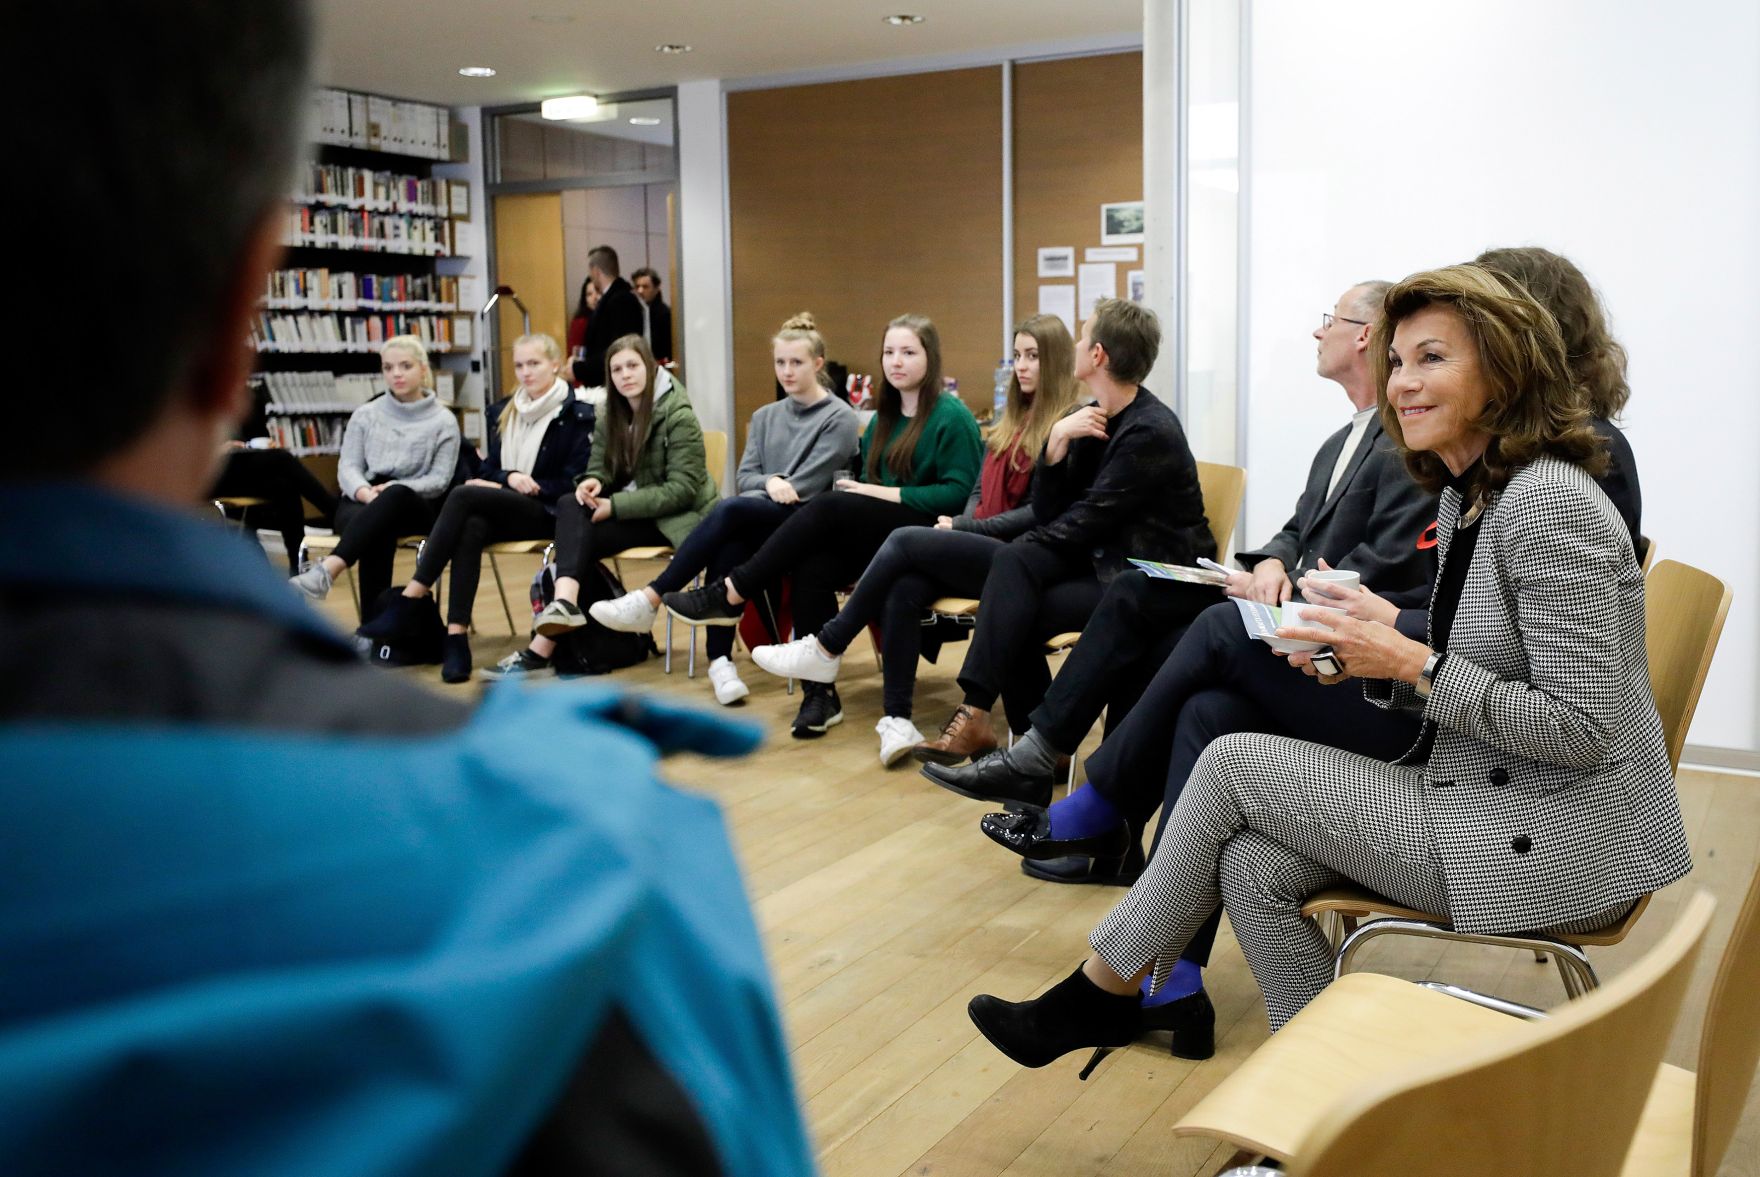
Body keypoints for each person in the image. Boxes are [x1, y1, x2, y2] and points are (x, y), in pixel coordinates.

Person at [1, 4, 813, 1175]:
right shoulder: (571, 891)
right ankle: (457, 617)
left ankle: (444, 612)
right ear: (239, 318)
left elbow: (653, 486)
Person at [965, 264, 1692, 1074]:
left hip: (1556, 838)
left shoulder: (1551, 503)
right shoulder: (1473, 494)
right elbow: (1475, 652)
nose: (1402, 383)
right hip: (1489, 789)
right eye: (1398, 361)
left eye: (1431, 359)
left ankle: (1103, 986)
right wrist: (1368, 660)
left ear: (1505, 370)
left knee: (1230, 761)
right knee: (1249, 861)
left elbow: (1581, 729)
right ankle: (1321, 1089)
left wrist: (1408, 659)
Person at [955, 282, 1436, 867]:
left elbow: (1377, 566)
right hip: (1283, 606)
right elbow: (1293, 530)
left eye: (1328, 320)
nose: (1318, 330)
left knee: (1169, 622)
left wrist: (1283, 578)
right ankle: (1128, 857)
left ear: (1364, 336)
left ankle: (1087, 805)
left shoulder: (1402, 446)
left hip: (1337, 642)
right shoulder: (1341, 440)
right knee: (1166, 647)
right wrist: (1272, 562)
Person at [746, 313, 1083, 764]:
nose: (1021, 366)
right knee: (900, 584)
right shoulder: (1012, 419)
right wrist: (964, 526)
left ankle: (824, 643)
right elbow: (977, 491)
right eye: (1018, 355)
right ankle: (897, 719)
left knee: (901, 538)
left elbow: (1042, 510)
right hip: (983, 544)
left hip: (1022, 555)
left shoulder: (1067, 424)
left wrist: (967, 528)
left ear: (1056, 361)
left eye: (1033, 356)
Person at [912, 298, 1214, 776]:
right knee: (1012, 575)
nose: (1075, 345)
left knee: (1014, 598)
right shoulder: (1092, 416)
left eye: (1082, 336)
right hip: (1103, 563)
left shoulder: (1149, 429)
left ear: (1097, 355)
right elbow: (1052, 511)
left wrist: (1026, 544)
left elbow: (1086, 521)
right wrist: (1055, 444)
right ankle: (991, 724)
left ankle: (1029, 752)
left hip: (1146, 579)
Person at [663, 313, 984, 738]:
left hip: (931, 534)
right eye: (889, 352)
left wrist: (877, 494)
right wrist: (868, 494)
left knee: (830, 504)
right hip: (885, 534)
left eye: (908, 352)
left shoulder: (952, 416)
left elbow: (958, 495)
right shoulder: (883, 417)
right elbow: (866, 486)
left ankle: (732, 591)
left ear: (931, 357)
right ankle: (820, 694)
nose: (896, 361)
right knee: (813, 562)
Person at [590, 313, 860, 704]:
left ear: (818, 364)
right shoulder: (765, 416)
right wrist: (770, 483)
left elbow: (805, 488)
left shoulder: (840, 417)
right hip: (765, 518)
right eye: (780, 362)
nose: (786, 371)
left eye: (796, 362)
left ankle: (652, 597)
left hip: (812, 526)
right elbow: (746, 476)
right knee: (729, 540)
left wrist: (770, 483)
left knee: (732, 513)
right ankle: (720, 663)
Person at [488, 334, 718, 680]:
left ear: (650, 367)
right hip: (631, 511)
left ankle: (542, 649)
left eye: (632, 366)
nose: (625, 375)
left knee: (575, 541)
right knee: (572, 504)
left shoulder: (677, 414)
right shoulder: (610, 410)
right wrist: (592, 482)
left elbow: (681, 491)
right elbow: (600, 467)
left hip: (674, 518)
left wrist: (615, 506)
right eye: (616, 369)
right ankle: (565, 608)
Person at [372, 333, 593, 682]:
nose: (525, 372)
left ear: (555, 364)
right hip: (510, 505)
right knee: (470, 526)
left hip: (550, 511)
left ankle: (412, 597)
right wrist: (509, 477)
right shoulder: (504, 410)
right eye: (519, 365)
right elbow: (487, 469)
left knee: (463, 495)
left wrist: (514, 484)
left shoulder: (579, 415)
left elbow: (575, 481)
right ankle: (456, 637)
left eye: (534, 364)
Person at [288, 334, 461, 615]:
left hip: (415, 502)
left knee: (393, 498)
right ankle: (371, 628)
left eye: (405, 366)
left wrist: (391, 489)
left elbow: (439, 480)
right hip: (363, 497)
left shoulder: (443, 420)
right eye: (388, 368)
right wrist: (364, 492)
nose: (396, 374)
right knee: (378, 527)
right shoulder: (366, 414)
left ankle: (329, 569)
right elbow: (348, 467)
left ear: (423, 369)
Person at [208, 442, 338, 571]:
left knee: (285, 486)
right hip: (208, 475)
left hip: (225, 469)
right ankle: (337, 514)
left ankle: (298, 564)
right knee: (282, 458)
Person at [574, 245, 646, 388]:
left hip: (613, 383)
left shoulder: (621, 300)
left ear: (595, 271)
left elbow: (618, 348)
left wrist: (580, 368)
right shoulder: (616, 298)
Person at [632, 266, 674, 361]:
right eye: (637, 286)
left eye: (645, 287)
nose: (640, 291)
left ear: (656, 288)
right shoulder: (632, 314)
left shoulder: (665, 314)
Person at [565, 275, 599, 383]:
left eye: (598, 292)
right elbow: (575, 354)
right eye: (589, 294)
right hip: (584, 378)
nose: (594, 297)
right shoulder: (581, 322)